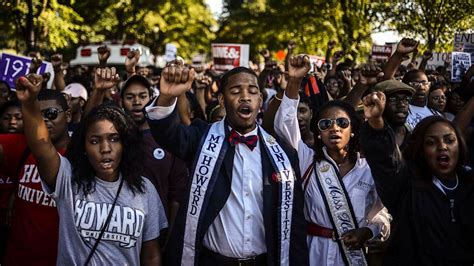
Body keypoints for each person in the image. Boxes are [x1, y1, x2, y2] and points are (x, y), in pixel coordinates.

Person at [145, 65, 308, 265]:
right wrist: (167, 97)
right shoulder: (201, 139)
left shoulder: (283, 154)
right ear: (222, 99)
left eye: (252, 91)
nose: (245, 97)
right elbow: (167, 134)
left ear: (260, 100)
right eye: (236, 91)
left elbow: (295, 224)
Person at [15, 72, 167, 265]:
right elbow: (41, 145)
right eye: (95, 141)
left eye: (114, 139)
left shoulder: (145, 190)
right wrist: (29, 104)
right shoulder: (68, 180)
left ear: (125, 144)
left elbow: (151, 254)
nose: (105, 149)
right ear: (84, 148)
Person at [274, 55, 390, 265]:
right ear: (318, 132)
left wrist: (368, 231)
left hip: (353, 255)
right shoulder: (307, 159)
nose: (334, 127)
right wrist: (293, 81)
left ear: (352, 130)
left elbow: (383, 214)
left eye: (342, 122)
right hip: (313, 253)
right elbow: (286, 123)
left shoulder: (368, 168)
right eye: (325, 123)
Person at [360, 91, 474, 265]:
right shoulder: (406, 186)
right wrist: (376, 122)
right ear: (420, 150)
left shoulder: (469, 183)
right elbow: (385, 160)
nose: (442, 147)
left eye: (449, 140)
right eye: (431, 142)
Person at [2, 89, 71, 266]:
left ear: (68, 115)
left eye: (51, 113)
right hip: (15, 259)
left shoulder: (81, 156)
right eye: (38, 115)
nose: (45, 120)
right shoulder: (21, 146)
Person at [373, 80, 415, 149]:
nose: (401, 104)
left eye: (406, 99)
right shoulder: (368, 136)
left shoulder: (414, 136)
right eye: (393, 99)